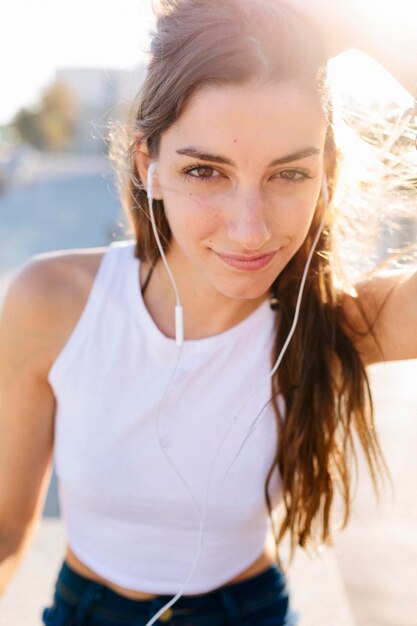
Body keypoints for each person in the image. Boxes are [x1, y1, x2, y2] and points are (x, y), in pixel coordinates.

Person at [0, 0, 416, 624]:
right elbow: (5, 526)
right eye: (205, 171)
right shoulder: (52, 301)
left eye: (289, 175)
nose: (250, 231)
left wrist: (360, 28)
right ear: (151, 168)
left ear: (325, 174)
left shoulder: (339, 323)